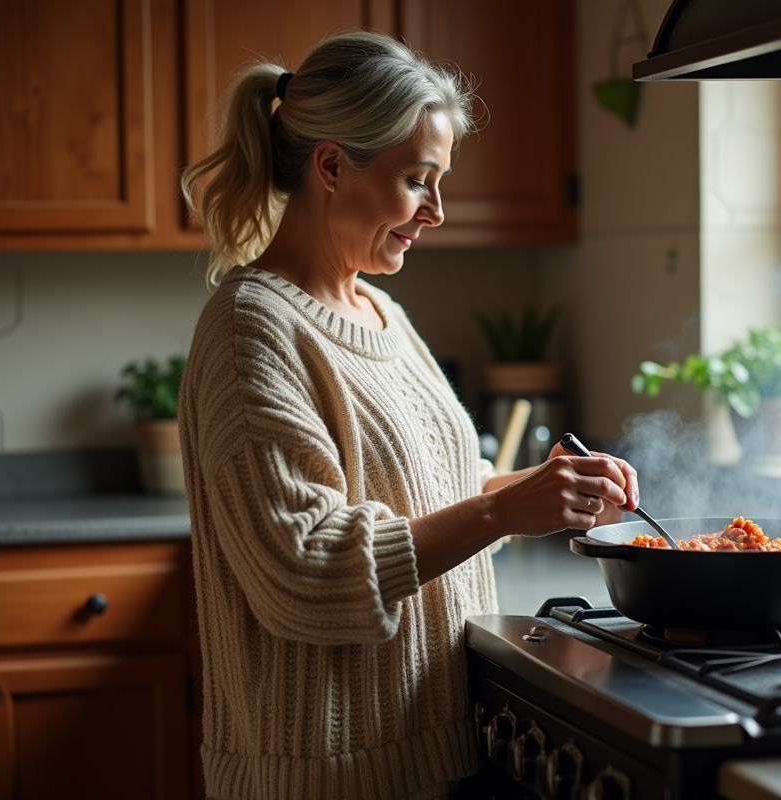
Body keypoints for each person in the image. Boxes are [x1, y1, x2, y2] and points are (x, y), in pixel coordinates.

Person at [177, 31, 640, 800]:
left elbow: (431, 494)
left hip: (436, 746)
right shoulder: (249, 328)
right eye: (418, 180)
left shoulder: (381, 312)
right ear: (332, 167)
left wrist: (540, 489)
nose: (437, 210)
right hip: (327, 776)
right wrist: (500, 512)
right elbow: (305, 573)